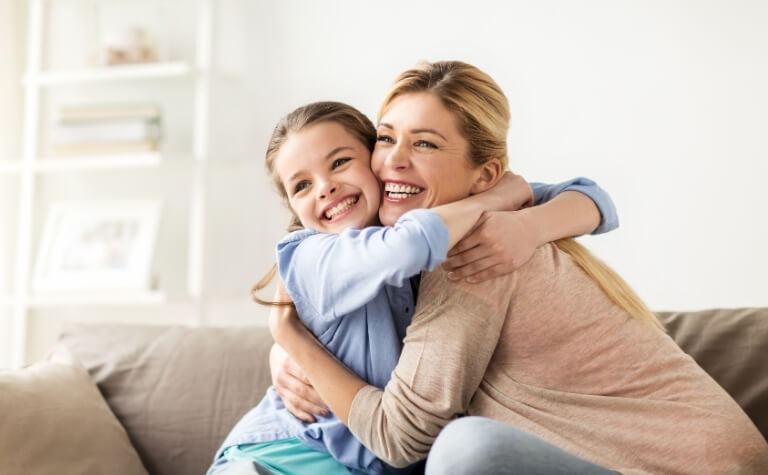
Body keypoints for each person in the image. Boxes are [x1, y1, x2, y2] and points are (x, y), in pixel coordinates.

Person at [269, 60, 768, 474]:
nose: (391, 163)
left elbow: (396, 437)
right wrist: (279, 358)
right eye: (385, 138)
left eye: (424, 144)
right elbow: (564, 194)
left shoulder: (478, 254)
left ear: (483, 175)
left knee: (466, 450)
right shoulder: (451, 236)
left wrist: (292, 337)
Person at [209, 98, 619, 475]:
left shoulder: (418, 230)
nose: (325, 187)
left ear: (376, 162)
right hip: (283, 457)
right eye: (301, 186)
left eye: (339, 163)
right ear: (294, 209)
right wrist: (493, 201)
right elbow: (409, 245)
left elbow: (593, 198)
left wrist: (527, 223)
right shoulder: (312, 256)